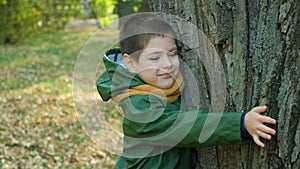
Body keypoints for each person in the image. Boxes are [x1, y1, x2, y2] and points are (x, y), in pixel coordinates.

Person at [96, 13, 277, 169]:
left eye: (172, 53)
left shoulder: (164, 86)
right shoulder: (138, 107)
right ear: (130, 63)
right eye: (155, 57)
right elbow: (186, 127)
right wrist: (241, 123)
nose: (167, 64)